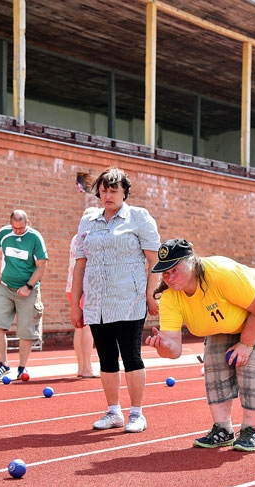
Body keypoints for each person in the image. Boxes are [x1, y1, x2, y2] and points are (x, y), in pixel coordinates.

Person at [145, 239, 255, 452]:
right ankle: (223, 430)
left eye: (175, 270)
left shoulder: (221, 273)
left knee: (249, 364)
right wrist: (163, 346)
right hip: (227, 318)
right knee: (214, 365)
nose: (170, 278)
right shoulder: (170, 296)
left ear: (192, 262)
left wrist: (246, 344)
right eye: (165, 273)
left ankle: (251, 429)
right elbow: (175, 350)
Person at [70, 166, 160, 433]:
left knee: (131, 356)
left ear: (125, 193)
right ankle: (113, 412)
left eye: (114, 190)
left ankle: (136, 413)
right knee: (106, 359)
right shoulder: (88, 219)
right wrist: (76, 303)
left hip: (129, 299)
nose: (107, 195)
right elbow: (80, 264)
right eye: (104, 189)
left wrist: (150, 295)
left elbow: (154, 260)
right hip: (97, 302)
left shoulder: (139, 218)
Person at [0, 210, 48, 381]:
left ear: (28, 223)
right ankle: (3, 364)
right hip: (5, 287)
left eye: (21, 228)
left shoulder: (35, 238)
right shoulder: (5, 233)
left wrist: (28, 286)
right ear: (10, 224)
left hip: (27, 289)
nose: (18, 231)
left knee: (26, 331)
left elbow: (41, 265)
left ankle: (22, 367)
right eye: (15, 228)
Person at [66, 207, 101, 378]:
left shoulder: (75, 237)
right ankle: (87, 367)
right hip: (85, 287)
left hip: (72, 287)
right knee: (87, 327)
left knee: (79, 328)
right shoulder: (88, 237)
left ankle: (81, 366)